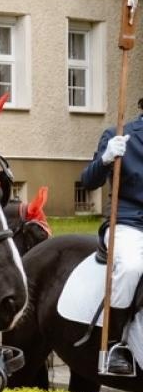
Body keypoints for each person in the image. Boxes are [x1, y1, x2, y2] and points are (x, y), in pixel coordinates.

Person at [77, 98, 143, 375]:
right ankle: (118, 344)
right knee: (132, 268)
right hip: (127, 223)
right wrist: (105, 159)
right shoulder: (120, 135)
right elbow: (89, 181)